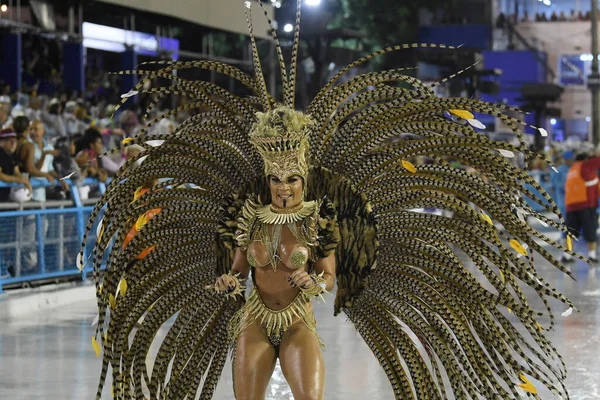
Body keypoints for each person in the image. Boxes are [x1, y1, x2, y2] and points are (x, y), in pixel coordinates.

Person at [83, 2, 575, 399]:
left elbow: (330, 274)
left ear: (303, 179)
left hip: (297, 322)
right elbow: (235, 268)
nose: (283, 187)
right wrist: (225, 281)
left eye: (291, 179)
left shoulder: (321, 221)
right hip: (254, 319)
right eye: (276, 180)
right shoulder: (249, 217)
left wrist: (314, 278)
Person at [561, 152, 600, 263]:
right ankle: (592, 256)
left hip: (571, 207)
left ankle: (566, 256)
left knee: (570, 232)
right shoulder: (585, 166)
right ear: (586, 160)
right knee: (590, 230)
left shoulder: (572, 170)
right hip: (586, 204)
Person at [0, 128, 32, 202]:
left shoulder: (12, 155)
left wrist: (24, 181)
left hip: (4, 196)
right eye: (9, 141)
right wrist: (16, 179)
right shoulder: (1, 153)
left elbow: (16, 172)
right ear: (1, 142)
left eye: (14, 141)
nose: (13, 144)